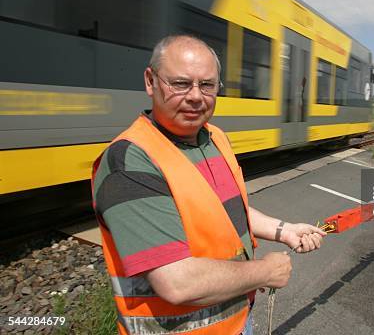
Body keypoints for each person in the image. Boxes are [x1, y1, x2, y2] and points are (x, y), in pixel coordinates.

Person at [92, 34, 325, 335]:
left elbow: (224, 212)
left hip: (238, 321)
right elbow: (177, 282)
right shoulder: (131, 160)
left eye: (207, 85)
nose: (195, 96)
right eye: (180, 83)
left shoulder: (214, 138)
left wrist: (284, 230)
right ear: (150, 81)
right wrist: (265, 272)